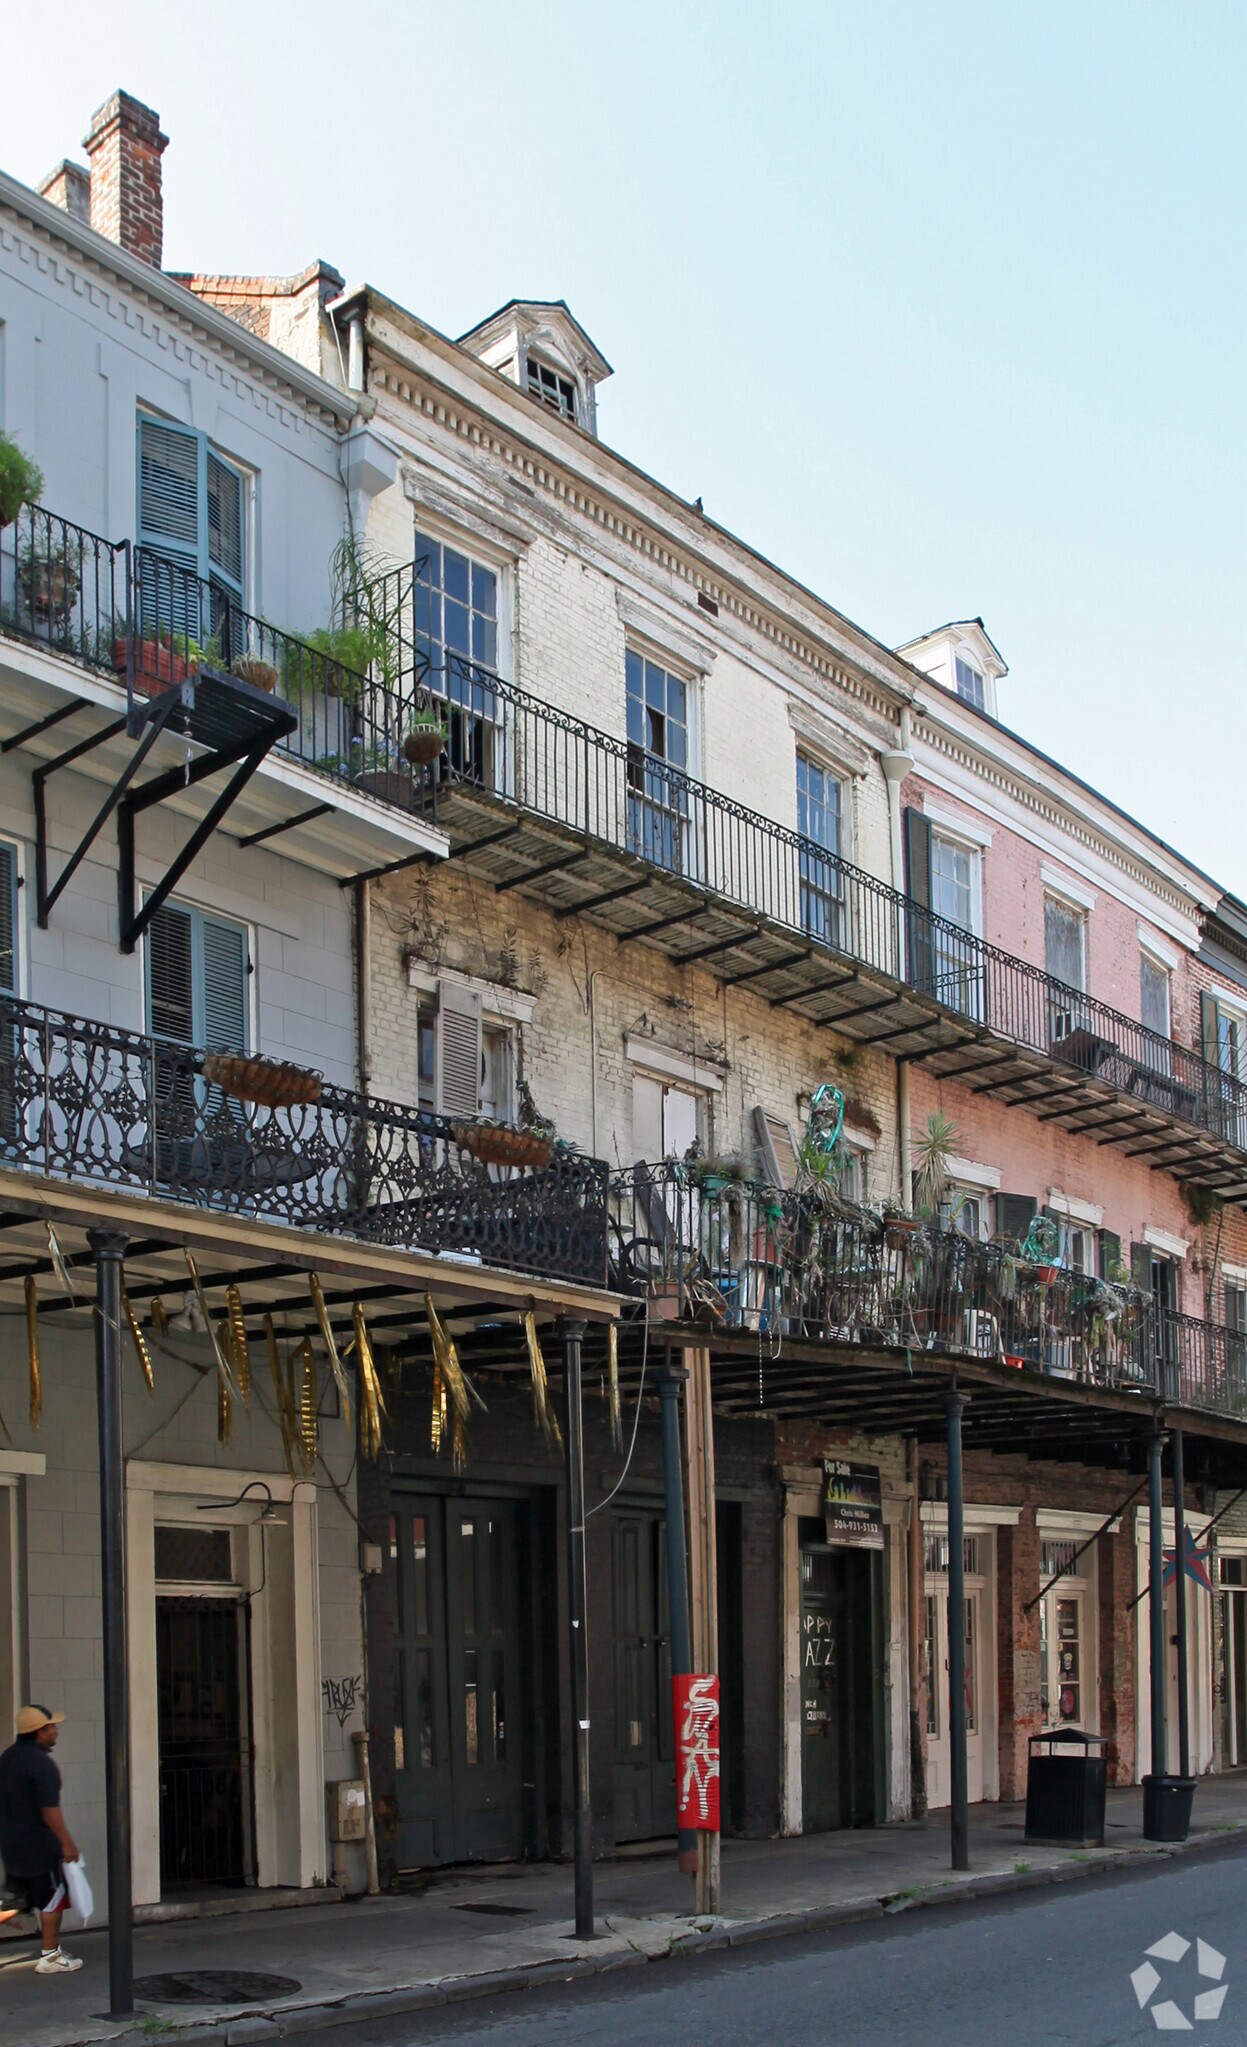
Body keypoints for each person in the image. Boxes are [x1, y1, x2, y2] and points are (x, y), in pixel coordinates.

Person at [0, 1705, 82, 1974]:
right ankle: (50, 1956)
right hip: (39, 1845)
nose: (55, 1731)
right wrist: (66, 1843)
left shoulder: (8, 1758)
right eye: (51, 1727)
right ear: (39, 1731)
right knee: (51, 1900)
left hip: (11, 1843)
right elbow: (50, 1810)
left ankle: (52, 1952)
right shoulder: (42, 1765)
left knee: (15, 1900)